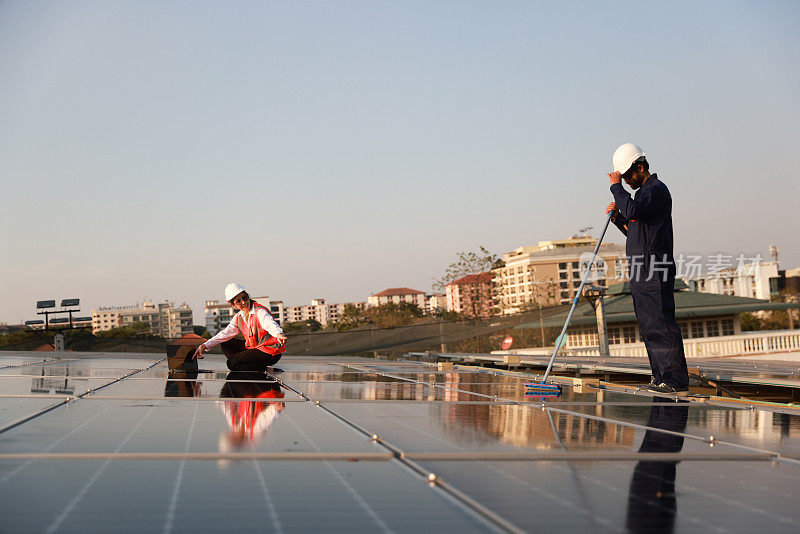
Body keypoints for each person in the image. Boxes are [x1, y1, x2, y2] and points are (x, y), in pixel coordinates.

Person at [606, 143, 689, 394]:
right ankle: (660, 376)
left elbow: (632, 209)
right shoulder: (642, 195)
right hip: (641, 269)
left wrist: (615, 187)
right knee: (648, 324)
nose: (628, 181)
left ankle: (675, 380)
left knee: (661, 322)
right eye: (625, 178)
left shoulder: (656, 191)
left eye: (629, 176)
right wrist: (618, 219)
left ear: (640, 167)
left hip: (655, 267)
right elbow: (636, 231)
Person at [194, 283, 288, 371]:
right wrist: (205, 345)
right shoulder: (239, 317)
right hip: (256, 349)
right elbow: (225, 334)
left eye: (245, 298)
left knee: (232, 363)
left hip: (270, 352)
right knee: (225, 343)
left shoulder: (259, 311)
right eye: (238, 301)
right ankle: (254, 367)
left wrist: (278, 334)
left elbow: (270, 324)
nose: (243, 302)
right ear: (233, 305)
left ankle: (254, 367)